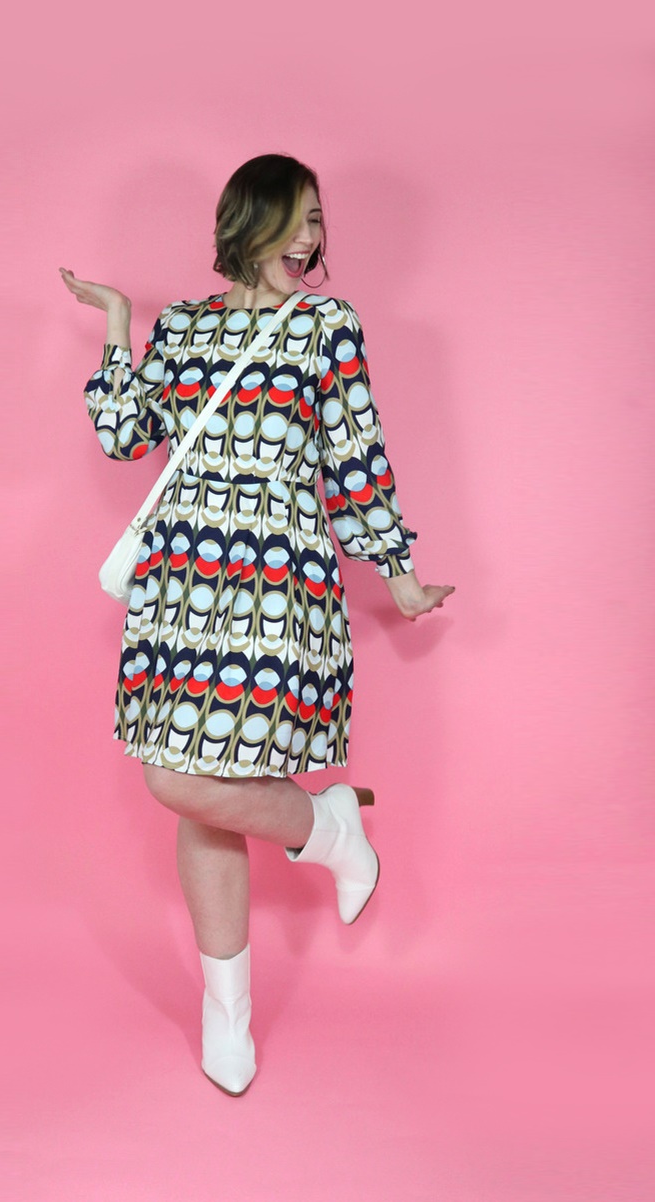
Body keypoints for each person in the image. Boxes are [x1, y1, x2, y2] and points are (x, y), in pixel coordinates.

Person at [59, 153, 454, 1096]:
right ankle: (230, 1005)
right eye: (296, 219)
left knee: (187, 776)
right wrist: (116, 323)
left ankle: (326, 830)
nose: (311, 238)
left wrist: (397, 573)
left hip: (277, 577)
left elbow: (355, 454)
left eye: (318, 221)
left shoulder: (326, 325)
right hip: (180, 579)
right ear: (250, 224)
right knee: (197, 788)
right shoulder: (185, 325)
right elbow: (124, 434)